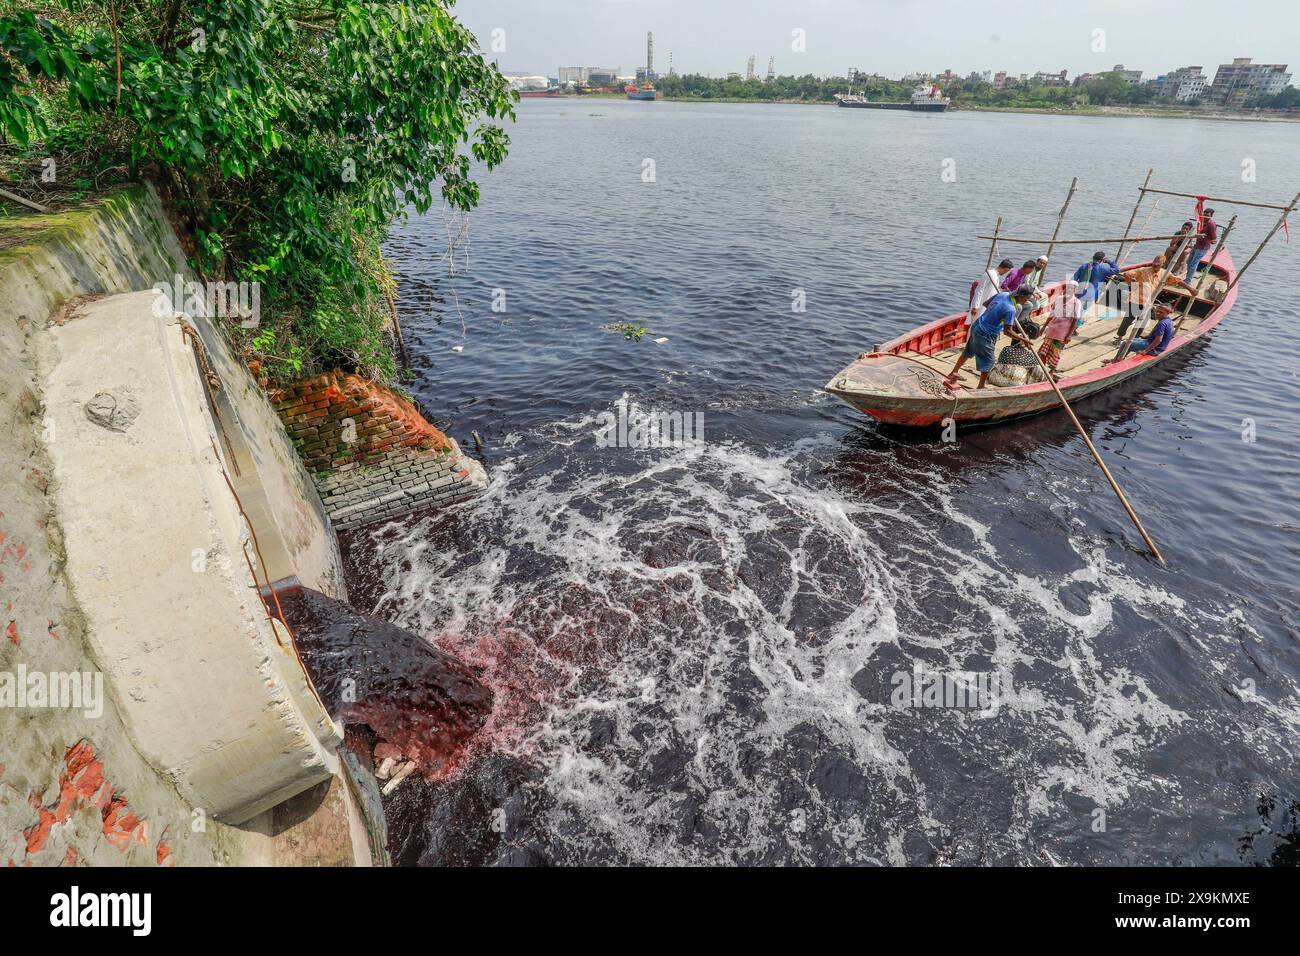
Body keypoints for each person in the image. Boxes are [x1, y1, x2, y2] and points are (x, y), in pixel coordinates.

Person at [946, 286, 1036, 389]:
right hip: (986, 333)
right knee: (989, 361)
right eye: (1027, 299)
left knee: (968, 351)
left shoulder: (1004, 294)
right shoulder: (1010, 309)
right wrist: (1023, 339)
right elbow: (1008, 332)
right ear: (1021, 296)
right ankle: (981, 386)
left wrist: (996, 314)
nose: (1027, 301)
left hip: (978, 325)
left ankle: (953, 372)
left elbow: (986, 304)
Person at [1114, 255, 1195, 341]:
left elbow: (1178, 281)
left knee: (1142, 322)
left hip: (1148, 302)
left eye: (1157, 264)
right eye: (1154, 264)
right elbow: (1127, 274)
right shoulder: (1143, 270)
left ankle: (1135, 339)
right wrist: (1131, 284)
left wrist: (1190, 289)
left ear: (1162, 264)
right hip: (1136, 299)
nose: (1155, 266)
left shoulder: (1165, 273)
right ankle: (1120, 338)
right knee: (1128, 320)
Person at [1038, 279, 1083, 378]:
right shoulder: (1059, 299)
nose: (1070, 290)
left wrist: (1069, 335)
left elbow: (1075, 320)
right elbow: (1051, 314)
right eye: (1068, 288)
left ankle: (1051, 371)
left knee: (1056, 351)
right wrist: (1043, 327)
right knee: (1044, 350)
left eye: (1073, 288)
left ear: (1076, 290)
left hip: (1063, 331)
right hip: (1052, 328)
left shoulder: (1077, 302)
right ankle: (1041, 369)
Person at [987, 318, 1044, 387]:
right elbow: (1039, 372)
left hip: (995, 380)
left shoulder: (1006, 349)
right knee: (1035, 370)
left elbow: (999, 364)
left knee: (995, 362)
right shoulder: (1030, 355)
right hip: (1016, 384)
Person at [968, 258, 1014, 327]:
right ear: (1004, 268)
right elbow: (979, 290)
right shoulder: (989, 274)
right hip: (980, 306)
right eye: (1005, 271)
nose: (1005, 273)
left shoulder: (996, 276)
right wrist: (975, 306)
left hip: (987, 306)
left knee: (980, 325)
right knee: (975, 325)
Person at [1185, 207, 1218, 285]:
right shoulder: (1201, 221)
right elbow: (1197, 211)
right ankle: (1187, 278)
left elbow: (1214, 237)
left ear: (1211, 216)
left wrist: (1212, 240)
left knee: (1194, 263)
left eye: (1207, 215)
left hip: (1203, 247)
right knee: (1189, 261)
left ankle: (1188, 281)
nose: (1205, 216)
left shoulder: (1211, 224)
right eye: (1204, 214)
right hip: (1197, 244)